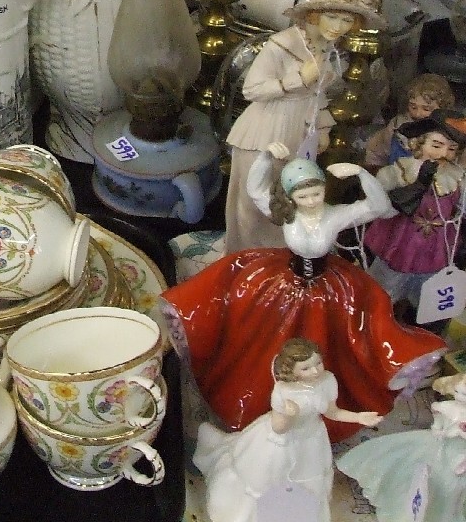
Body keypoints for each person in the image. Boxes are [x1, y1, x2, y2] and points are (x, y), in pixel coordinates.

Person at [161, 142, 446, 443]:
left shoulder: (335, 215)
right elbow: (255, 188)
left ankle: (332, 395)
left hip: (328, 286)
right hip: (284, 281)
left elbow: (379, 207)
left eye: (316, 193)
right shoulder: (288, 215)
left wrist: (361, 173)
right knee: (253, 326)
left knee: (340, 337)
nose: (311, 201)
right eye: (302, 195)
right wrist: (265, 157)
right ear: (291, 197)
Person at [225, 0, 385, 253]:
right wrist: (298, 78)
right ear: (314, 14)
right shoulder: (281, 44)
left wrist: (322, 128)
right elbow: (252, 89)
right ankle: (246, 255)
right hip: (267, 127)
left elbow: (317, 93)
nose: (338, 26)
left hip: (300, 130)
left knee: (291, 195)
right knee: (255, 200)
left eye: (346, 20)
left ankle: (281, 253)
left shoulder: (326, 46)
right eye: (331, 16)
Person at [196, 338, 382, 522]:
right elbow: (278, 429)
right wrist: (287, 415)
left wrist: (358, 417)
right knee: (267, 482)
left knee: (309, 483)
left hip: (312, 439)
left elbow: (332, 412)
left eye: (318, 363)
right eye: (306, 368)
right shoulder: (283, 391)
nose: (316, 370)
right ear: (292, 371)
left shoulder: (327, 380)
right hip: (281, 444)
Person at [364, 110, 466, 318]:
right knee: (381, 294)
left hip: (434, 252)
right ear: (419, 144)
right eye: (436, 145)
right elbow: (382, 194)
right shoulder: (403, 170)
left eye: (451, 149)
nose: (443, 154)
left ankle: (418, 326)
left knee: (426, 301)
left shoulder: (457, 178)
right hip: (399, 246)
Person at [336, 372, 466, 522]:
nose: (461, 397)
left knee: (452, 486)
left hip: (460, 451)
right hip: (443, 446)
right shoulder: (446, 407)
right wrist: (440, 429)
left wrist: (457, 432)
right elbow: (438, 423)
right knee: (428, 476)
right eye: (457, 392)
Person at [363, 72, 455, 172]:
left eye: (426, 109)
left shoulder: (452, 133)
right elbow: (376, 151)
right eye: (413, 107)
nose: (418, 114)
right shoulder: (397, 126)